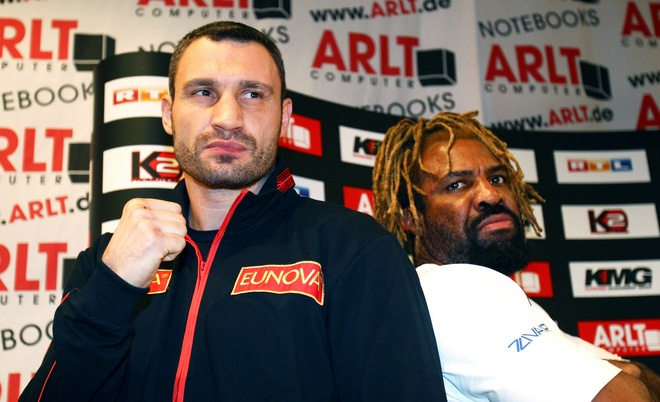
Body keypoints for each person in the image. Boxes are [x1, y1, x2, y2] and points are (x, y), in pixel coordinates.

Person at [20, 21, 448, 402]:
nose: (228, 117)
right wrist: (112, 288)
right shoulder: (106, 261)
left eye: (252, 94)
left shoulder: (353, 248)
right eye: (203, 92)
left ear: (284, 117)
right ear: (168, 114)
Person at [372, 110, 660, 401]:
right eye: (457, 184)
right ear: (412, 219)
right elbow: (619, 395)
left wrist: (633, 373)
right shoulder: (452, 290)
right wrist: (629, 373)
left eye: (497, 178)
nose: (490, 195)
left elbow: (629, 377)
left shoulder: (487, 295)